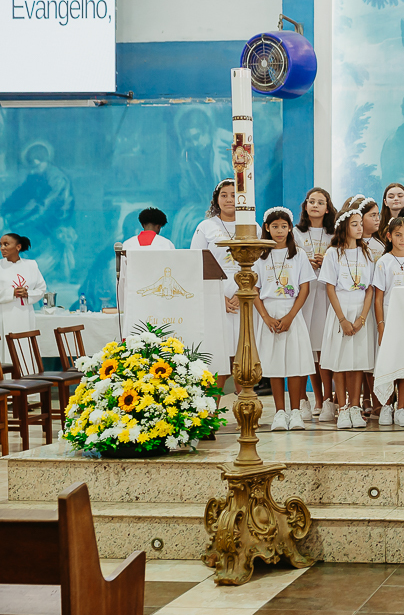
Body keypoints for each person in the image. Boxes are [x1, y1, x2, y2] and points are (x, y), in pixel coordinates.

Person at [252, 208, 316, 432]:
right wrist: (266, 317)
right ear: (267, 228)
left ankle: (296, 411)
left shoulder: (297, 254)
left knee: (295, 363)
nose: (279, 231)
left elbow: (305, 288)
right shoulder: (259, 255)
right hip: (269, 313)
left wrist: (290, 316)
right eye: (275, 226)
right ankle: (280, 412)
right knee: (275, 364)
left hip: (292, 313)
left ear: (290, 228)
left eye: (284, 226)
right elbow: (254, 289)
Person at [319, 209, 376, 430]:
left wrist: (362, 318)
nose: (360, 227)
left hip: (361, 312)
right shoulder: (333, 253)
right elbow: (330, 288)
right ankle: (341, 407)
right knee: (340, 362)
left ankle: (355, 406)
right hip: (341, 311)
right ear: (344, 227)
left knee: (357, 362)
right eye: (355, 224)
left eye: (361, 223)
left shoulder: (366, 253)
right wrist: (342, 318)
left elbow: (370, 288)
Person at [189, 179, 245, 390]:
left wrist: (243, 293)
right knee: (217, 356)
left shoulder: (252, 226)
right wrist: (217, 297)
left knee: (242, 355)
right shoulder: (206, 227)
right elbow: (197, 262)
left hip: (243, 300)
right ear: (216, 199)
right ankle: (211, 415)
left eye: (233, 195)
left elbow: (260, 263)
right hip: (215, 299)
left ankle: (245, 411)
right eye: (224, 195)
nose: (229, 199)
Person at [372, 217, 404, 428]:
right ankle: (386, 405)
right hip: (389, 315)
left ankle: (401, 408)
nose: (403, 239)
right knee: (388, 363)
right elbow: (378, 297)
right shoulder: (383, 262)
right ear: (389, 236)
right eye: (398, 235)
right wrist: (381, 325)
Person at [295, 187, 336, 423]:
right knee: (308, 349)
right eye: (311, 201)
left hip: (326, 294)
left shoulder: (333, 234)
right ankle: (311, 399)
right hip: (305, 294)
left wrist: (326, 260)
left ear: (327, 208)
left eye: (320, 202)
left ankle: (328, 400)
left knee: (324, 348)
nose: (315, 206)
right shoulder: (296, 233)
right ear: (305, 206)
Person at [0, 233, 46, 363]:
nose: (2, 248)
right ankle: (7, 381)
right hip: (4, 314)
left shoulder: (31, 265)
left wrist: (28, 294)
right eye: (1, 245)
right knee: (7, 350)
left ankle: (28, 379)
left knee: (26, 348)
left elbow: (41, 288)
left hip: (26, 314)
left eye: (6, 244)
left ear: (18, 247)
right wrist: (11, 293)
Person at [118, 208, 176, 310]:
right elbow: (173, 274)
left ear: (142, 224)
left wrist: (122, 307)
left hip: (133, 301)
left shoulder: (128, 244)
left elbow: (122, 278)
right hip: (159, 302)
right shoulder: (166, 244)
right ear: (159, 227)